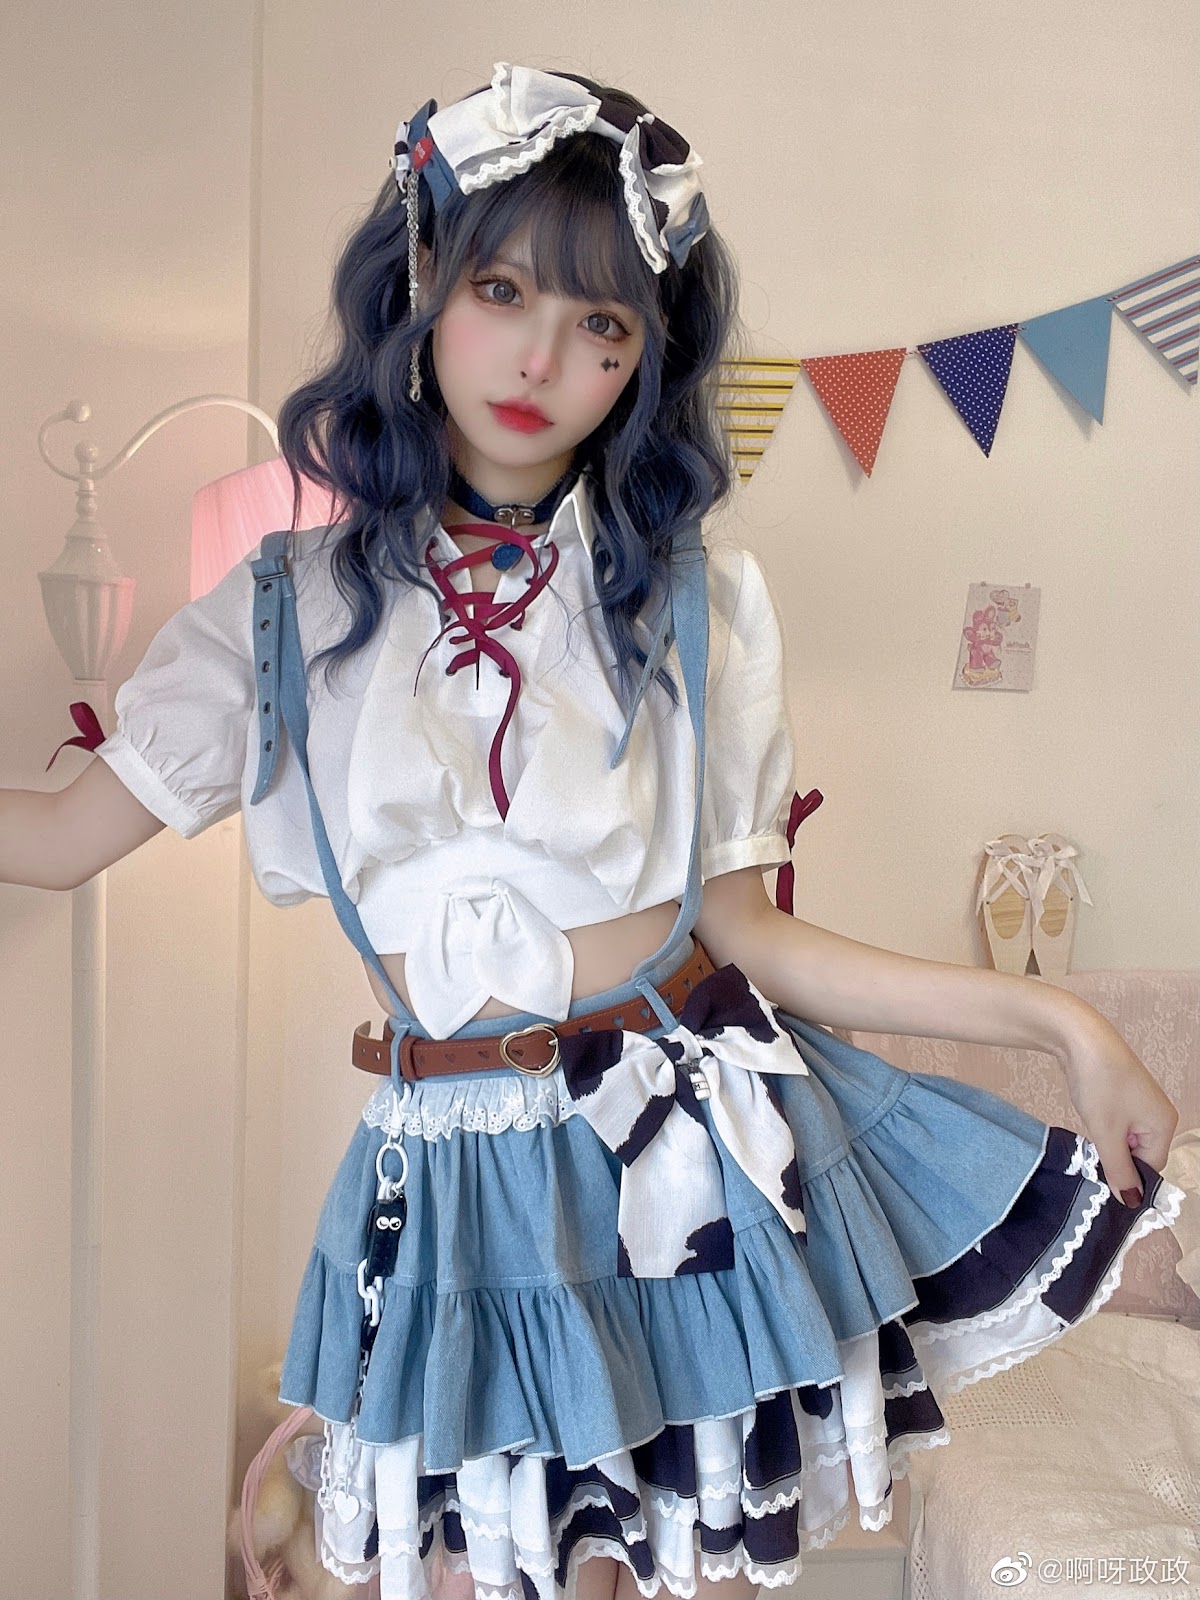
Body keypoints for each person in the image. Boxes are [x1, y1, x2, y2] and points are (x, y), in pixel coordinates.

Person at [10, 61, 1184, 1600]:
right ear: (422, 288)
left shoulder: (695, 602)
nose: (541, 359)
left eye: (603, 325)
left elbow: (754, 938)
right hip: (444, 1167)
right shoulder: (285, 609)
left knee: (624, 1576)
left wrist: (1064, 1025)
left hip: (676, 1141)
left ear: (643, 360)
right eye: (502, 290)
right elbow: (59, 836)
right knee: (462, 1568)